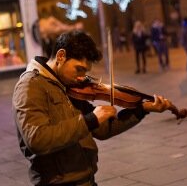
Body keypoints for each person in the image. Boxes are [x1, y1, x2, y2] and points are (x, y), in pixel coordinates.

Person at [12, 30, 172, 186]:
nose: (82, 77)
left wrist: (142, 109)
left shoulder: (68, 86)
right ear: (61, 56)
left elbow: (103, 130)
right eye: (79, 69)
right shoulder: (30, 86)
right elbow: (37, 139)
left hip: (85, 179)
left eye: (85, 71)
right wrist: (90, 120)